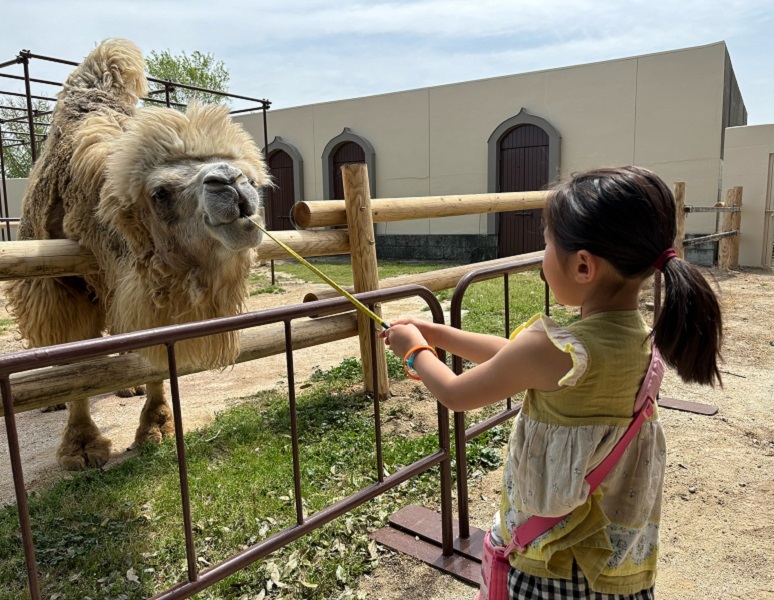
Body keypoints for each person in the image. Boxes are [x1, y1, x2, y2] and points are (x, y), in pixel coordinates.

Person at [380, 166, 722, 599]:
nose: (542, 256)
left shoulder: (557, 351)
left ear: (583, 265)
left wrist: (414, 351)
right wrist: (440, 335)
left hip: (555, 565)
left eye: (546, 244)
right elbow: (516, 356)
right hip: (619, 567)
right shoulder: (638, 336)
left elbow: (457, 393)